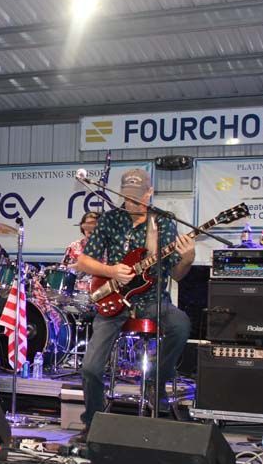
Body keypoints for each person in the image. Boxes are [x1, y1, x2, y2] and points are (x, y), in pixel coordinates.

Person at [73, 168, 195, 440]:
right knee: (90, 368)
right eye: (128, 197)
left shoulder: (163, 223)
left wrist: (187, 258)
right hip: (113, 302)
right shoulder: (110, 220)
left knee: (181, 324)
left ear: (150, 193)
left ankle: (155, 380)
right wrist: (111, 271)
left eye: (138, 197)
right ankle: (92, 423)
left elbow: (176, 273)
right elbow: (83, 261)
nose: (133, 203)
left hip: (152, 301)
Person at [62, 211, 100, 293]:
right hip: (76, 293)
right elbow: (63, 270)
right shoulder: (74, 246)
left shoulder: (108, 248)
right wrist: (78, 266)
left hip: (101, 292)